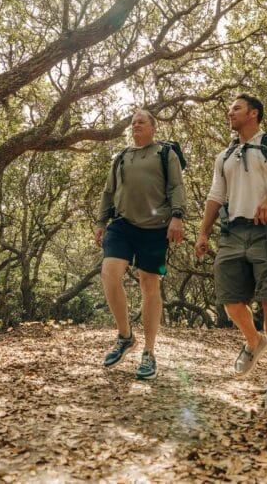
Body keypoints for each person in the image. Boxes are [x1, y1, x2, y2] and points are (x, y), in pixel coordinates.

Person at [194, 94, 267, 410]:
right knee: (230, 301)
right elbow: (216, 195)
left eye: (236, 107)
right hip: (232, 231)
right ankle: (255, 342)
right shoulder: (225, 156)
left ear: (253, 113)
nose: (230, 112)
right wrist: (203, 232)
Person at [94, 110, 185, 379]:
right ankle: (125, 336)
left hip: (156, 228)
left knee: (149, 284)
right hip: (122, 225)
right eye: (133, 122)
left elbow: (177, 187)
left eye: (141, 121)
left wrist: (177, 216)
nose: (135, 125)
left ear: (153, 128)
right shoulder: (121, 156)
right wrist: (101, 221)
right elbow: (108, 191)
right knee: (109, 273)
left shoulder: (165, 153)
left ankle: (149, 352)